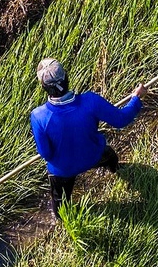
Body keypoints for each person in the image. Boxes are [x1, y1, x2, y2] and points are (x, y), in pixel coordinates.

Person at [30, 58, 146, 218]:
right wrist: (136, 98)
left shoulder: (38, 116)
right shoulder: (91, 101)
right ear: (66, 78)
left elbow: (46, 154)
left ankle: (61, 219)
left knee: (60, 203)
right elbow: (121, 120)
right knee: (110, 156)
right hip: (93, 156)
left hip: (63, 170)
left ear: (44, 87)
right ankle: (116, 169)